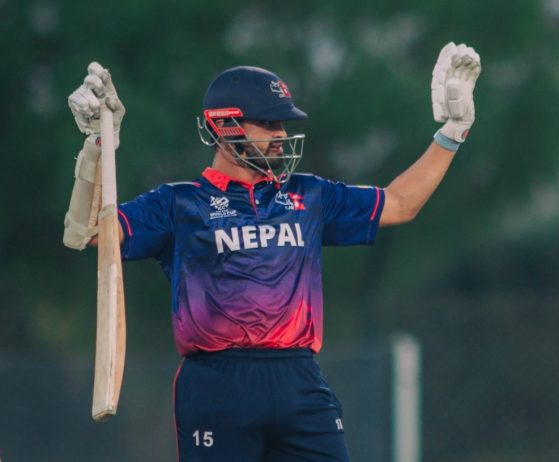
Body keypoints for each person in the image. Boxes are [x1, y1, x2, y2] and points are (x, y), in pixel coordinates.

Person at [64, 42, 480, 461]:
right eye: (268, 124)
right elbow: (90, 233)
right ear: (225, 126)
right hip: (217, 384)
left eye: (282, 124)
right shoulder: (179, 203)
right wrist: (98, 147)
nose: (281, 135)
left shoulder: (310, 195)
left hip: (299, 379)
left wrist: (453, 132)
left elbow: (400, 204)